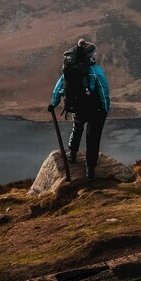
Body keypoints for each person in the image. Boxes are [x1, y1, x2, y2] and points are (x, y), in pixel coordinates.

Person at [47, 38, 111, 179]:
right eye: (94, 53)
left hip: (78, 107)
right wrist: (105, 108)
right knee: (93, 139)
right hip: (95, 110)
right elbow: (103, 91)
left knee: (77, 129)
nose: (96, 55)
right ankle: (90, 169)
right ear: (90, 55)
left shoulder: (70, 70)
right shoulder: (95, 71)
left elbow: (59, 88)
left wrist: (54, 103)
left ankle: (72, 155)